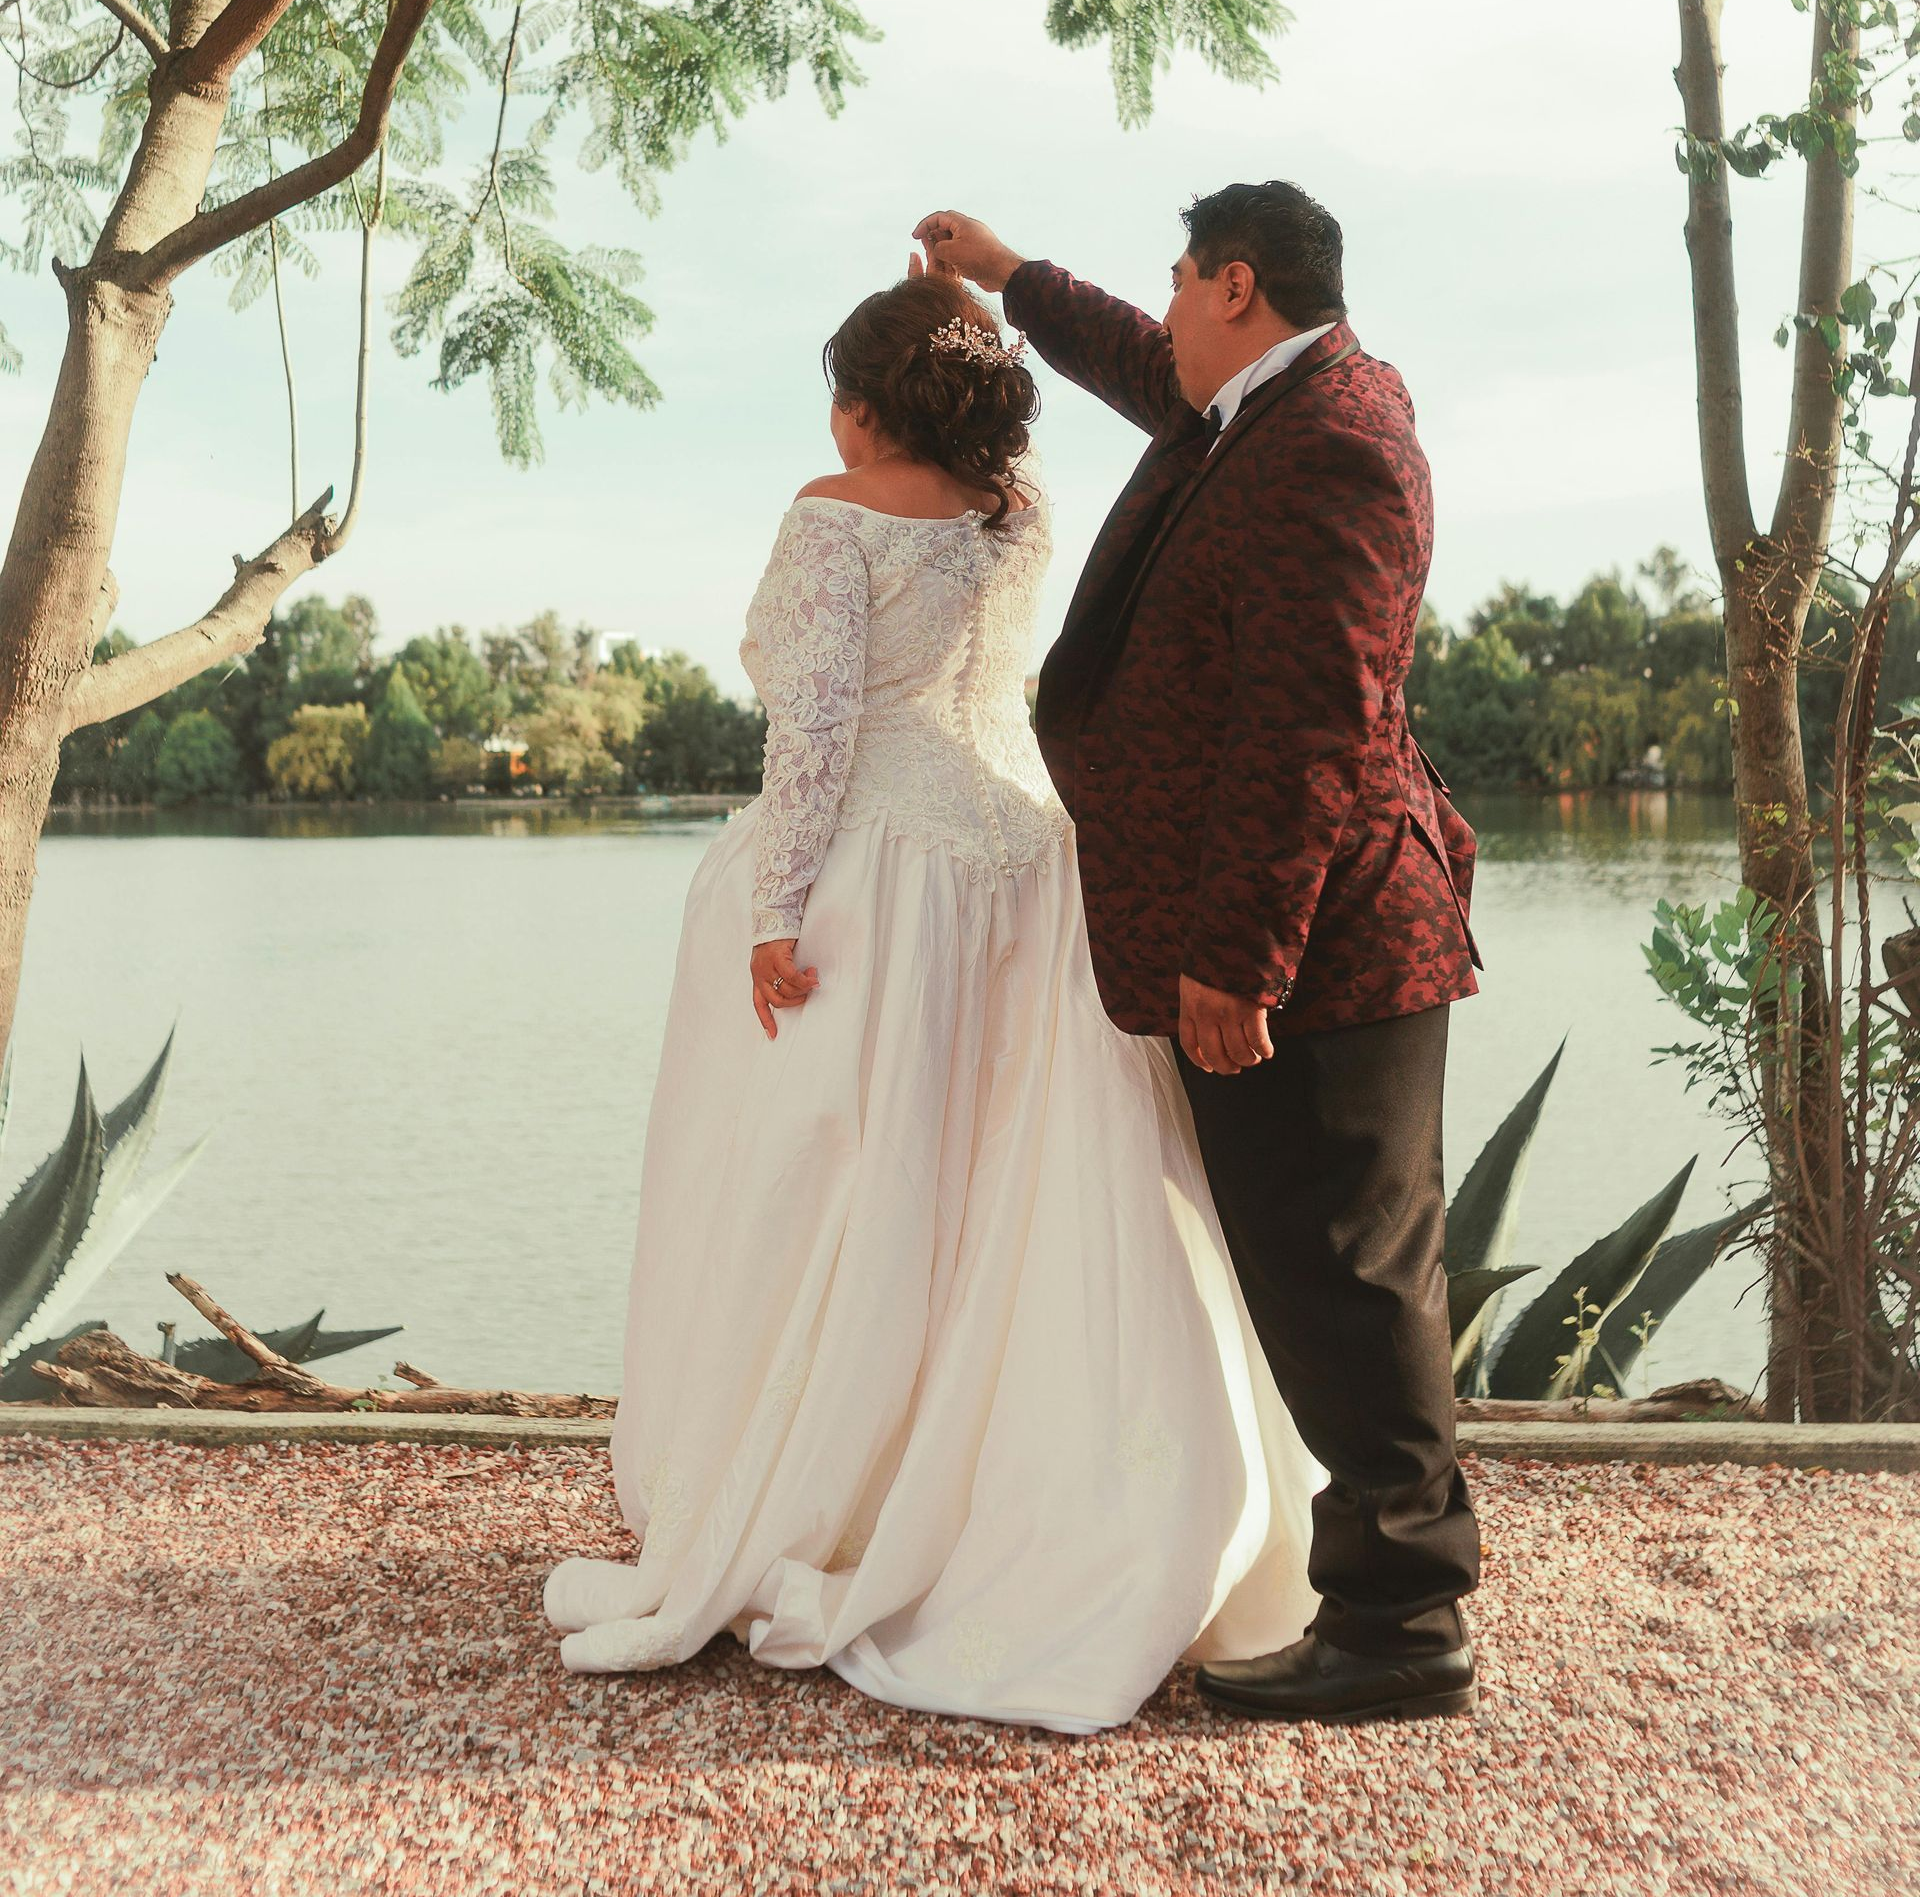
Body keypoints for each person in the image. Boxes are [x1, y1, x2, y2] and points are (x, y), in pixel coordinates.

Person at [541, 267, 1327, 1735]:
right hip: (1030, 865)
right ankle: (1060, 1504)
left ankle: (830, 1490)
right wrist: (970, 300)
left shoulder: (831, 513)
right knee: (1017, 1196)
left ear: (857, 401)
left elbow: (819, 730)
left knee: (836, 1182)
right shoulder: (1013, 513)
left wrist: (776, 915)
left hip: (878, 881)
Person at [912, 180, 1485, 1725]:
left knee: (1350, 1273)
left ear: (1237, 285)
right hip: (1282, 930)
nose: (1161, 307)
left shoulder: (1338, 441)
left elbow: (1315, 729)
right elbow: (1132, 361)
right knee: (1326, 1269)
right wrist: (1004, 274)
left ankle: (1405, 1625)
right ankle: (1383, 1593)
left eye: (1178, 281)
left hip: (1324, 942)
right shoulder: (1255, 410)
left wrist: (1241, 961)